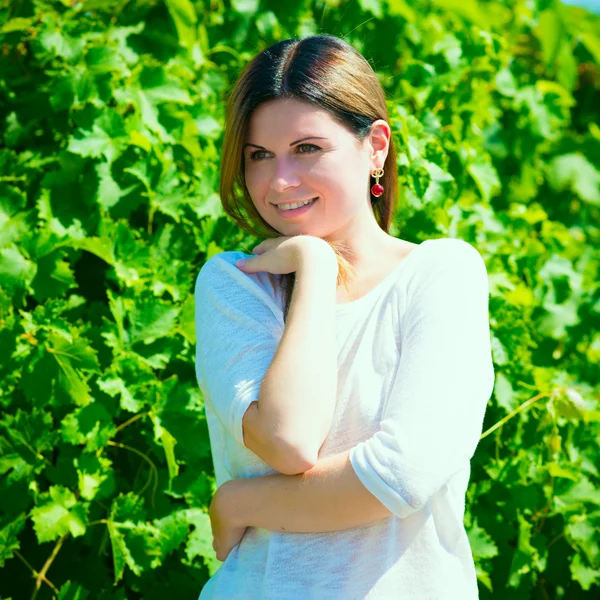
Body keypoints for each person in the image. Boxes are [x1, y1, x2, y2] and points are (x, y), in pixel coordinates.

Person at [194, 33, 495, 599]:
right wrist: (312, 265)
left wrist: (241, 501)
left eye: (307, 148)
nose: (279, 181)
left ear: (375, 146)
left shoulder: (441, 274)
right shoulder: (235, 285)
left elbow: (398, 476)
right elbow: (289, 439)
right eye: (259, 155)